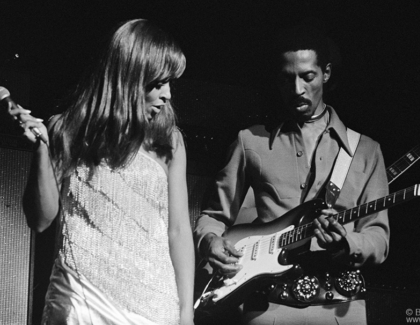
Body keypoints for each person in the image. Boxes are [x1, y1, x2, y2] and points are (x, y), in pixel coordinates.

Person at [194, 23, 389, 325]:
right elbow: (214, 216)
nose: (297, 89)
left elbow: (378, 237)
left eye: (307, 77)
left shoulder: (366, 150)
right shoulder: (251, 142)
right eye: (287, 79)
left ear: (325, 73)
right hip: (267, 305)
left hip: (339, 307)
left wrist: (347, 244)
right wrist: (210, 241)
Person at [8, 19, 195, 325]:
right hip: (82, 303)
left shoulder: (168, 140)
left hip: (153, 307)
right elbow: (40, 219)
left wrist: (186, 311)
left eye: (170, 83)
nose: (168, 94)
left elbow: (178, 231)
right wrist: (42, 147)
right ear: (131, 77)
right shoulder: (66, 130)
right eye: (159, 83)